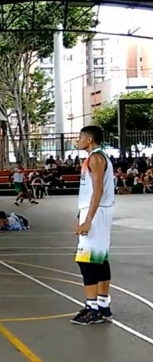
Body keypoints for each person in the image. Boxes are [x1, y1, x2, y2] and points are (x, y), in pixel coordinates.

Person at [70, 125, 115, 325]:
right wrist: (81, 215)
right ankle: (103, 305)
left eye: (80, 137)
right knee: (99, 259)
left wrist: (88, 219)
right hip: (95, 212)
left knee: (87, 261)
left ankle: (92, 308)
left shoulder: (96, 158)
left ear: (89, 140)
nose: (77, 140)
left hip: (97, 213)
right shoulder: (94, 158)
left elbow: (98, 190)